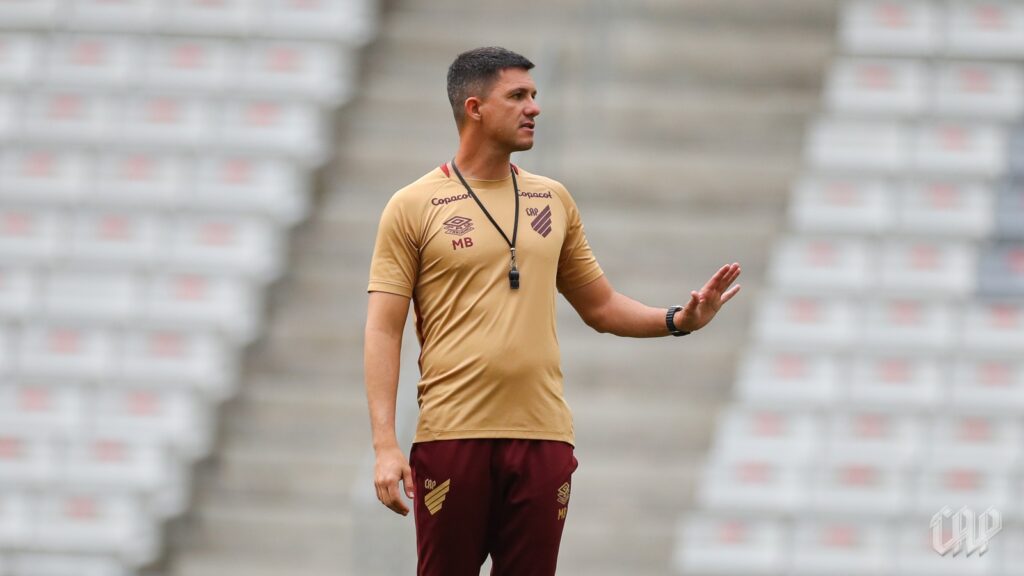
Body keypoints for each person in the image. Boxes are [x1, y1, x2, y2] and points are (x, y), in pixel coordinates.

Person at [364, 46, 741, 576]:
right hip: (453, 437)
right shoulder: (412, 206)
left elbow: (602, 306)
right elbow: (383, 329)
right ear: (474, 108)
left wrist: (678, 320)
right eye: (517, 96)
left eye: (535, 96)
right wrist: (385, 445)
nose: (534, 107)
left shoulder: (552, 200)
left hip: (544, 438)